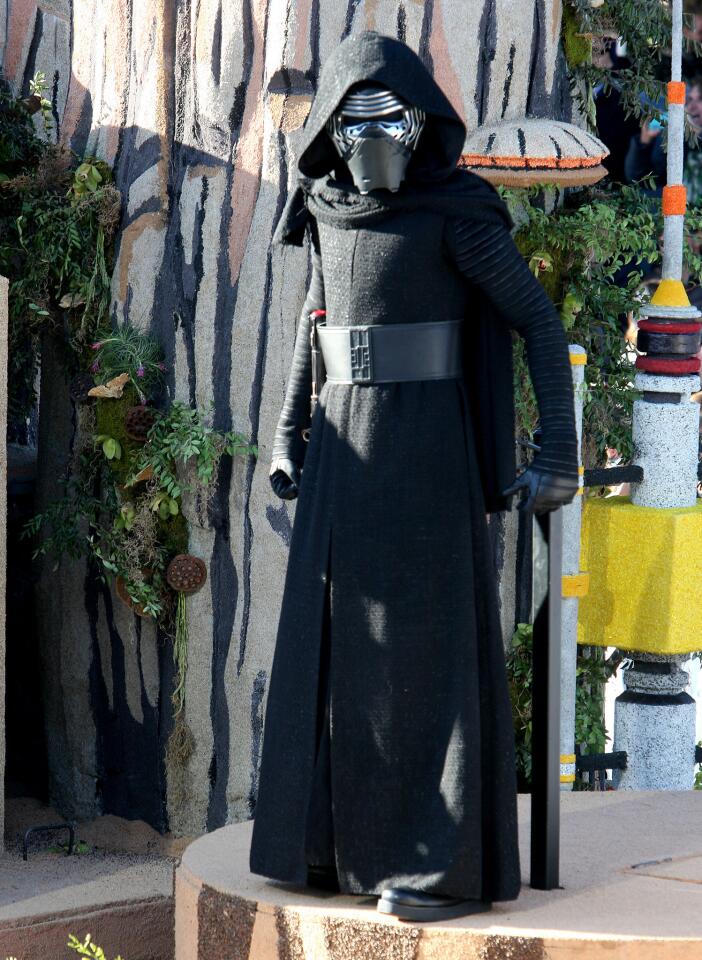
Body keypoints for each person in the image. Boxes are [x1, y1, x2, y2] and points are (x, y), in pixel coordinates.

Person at [249, 31, 578, 923]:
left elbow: (539, 326)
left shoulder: (454, 210)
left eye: (387, 122)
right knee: (336, 656)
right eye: (353, 127)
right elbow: (315, 324)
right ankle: (324, 848)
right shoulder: (322, 206)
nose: (372, 146)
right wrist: (286, 437)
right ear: (330, 131)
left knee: (422, 669)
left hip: (427, 457)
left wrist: (559, 455)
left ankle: (437, 872)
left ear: (418, 122)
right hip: (339, 458)